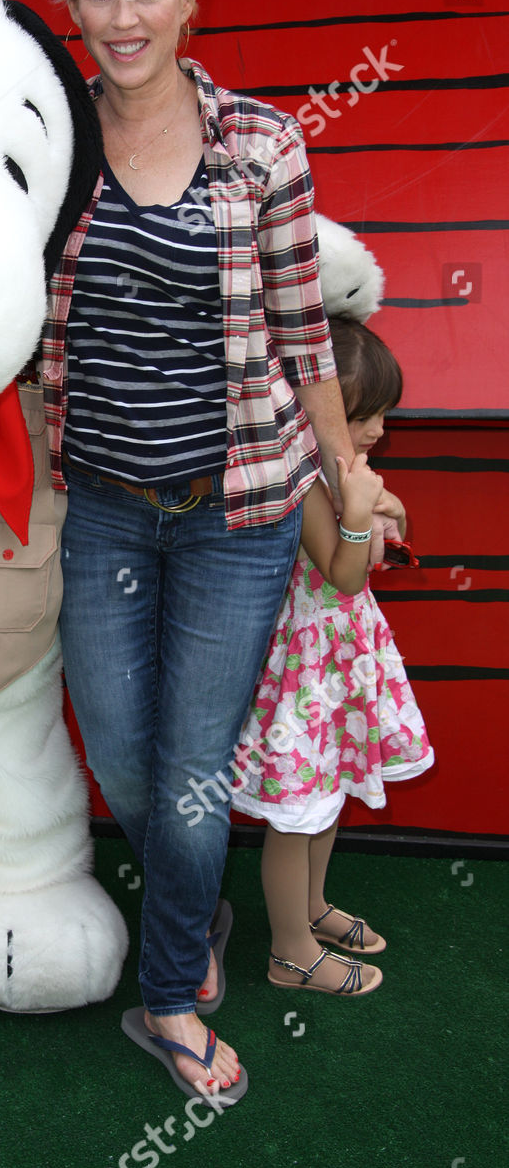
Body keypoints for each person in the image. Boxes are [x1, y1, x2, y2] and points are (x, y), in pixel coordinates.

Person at [43, 0, 395, 1105]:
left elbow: (305, 329)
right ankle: (195, 921)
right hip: (93, 504)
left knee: (192, 767)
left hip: (237, 511)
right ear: (70, 4)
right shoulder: (48, 140)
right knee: (127, 765)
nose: (123, 15)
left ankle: (167, 998)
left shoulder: (261, 142)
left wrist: (344, 468)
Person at [230, 317, 433, 993]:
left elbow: (375, 551)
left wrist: (385, 513)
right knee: (297, 812)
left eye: (383, 415)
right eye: (364, 416)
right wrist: (358, 510)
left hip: (342, 663)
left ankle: (312, 908)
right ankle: (289, 950)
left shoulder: (340, 472)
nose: (376, 430)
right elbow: (342, 573)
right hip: (305, 674)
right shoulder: (302, 479)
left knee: (332, 793)